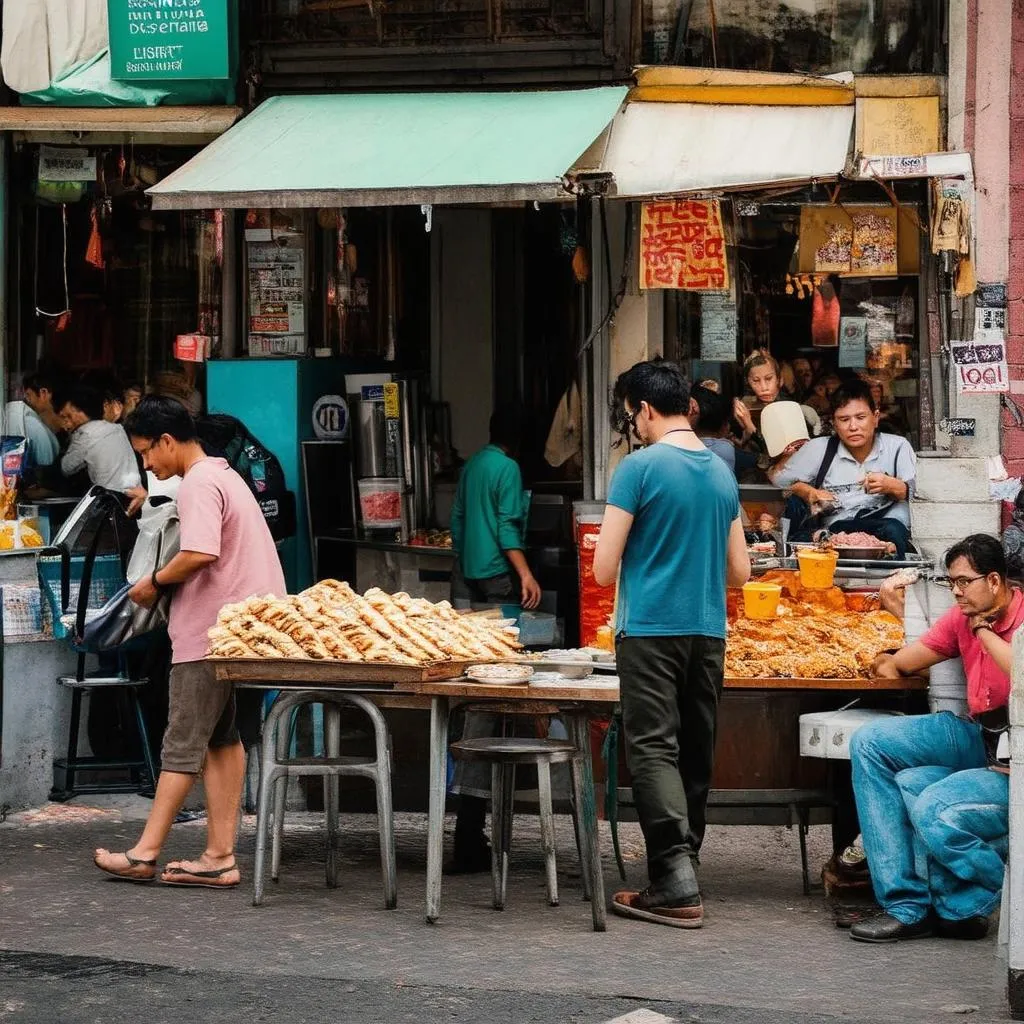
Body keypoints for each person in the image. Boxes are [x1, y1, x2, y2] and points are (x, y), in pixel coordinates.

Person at [93, 396, 286, 888]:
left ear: (167, 441)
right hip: (239, 631)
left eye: (146, 453)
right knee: (223, 740)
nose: (147, 464)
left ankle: (144, 853)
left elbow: (200, 552)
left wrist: (153, 581)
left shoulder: (199, 482)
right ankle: (220, 857)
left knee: (181, 745)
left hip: (211, 631)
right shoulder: (225, 475)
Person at [594, 359, 750, 929]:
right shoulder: (721, 473)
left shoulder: (638, 468)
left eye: (630, 413)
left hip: (651, 631)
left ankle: (674, 880)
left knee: (653, 747)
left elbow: (604, 570)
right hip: (708, 632)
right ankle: (685, 867)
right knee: (693, 748)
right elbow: (741, 572)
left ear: (642, 409)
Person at [848, 534, 1020, 943]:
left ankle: (979, 900)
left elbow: (1022, 671)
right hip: (981, 737)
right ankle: (906, 905)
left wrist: (983, 632)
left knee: (933, 805)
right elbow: (901, 665)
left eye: (964, 582)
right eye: (950, 583)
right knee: (870, 742)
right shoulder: (962, 616)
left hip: (1018, 756)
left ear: (993, 581)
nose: (956, 592)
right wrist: (884, 658)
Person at [447, 406, 541, 872]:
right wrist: (525, 574)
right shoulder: (507, 468)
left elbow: (459, 521)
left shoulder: (473, 465)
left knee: (470, 694)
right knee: (495, 695)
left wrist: (464, 573)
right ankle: (472, 830)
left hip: (466, 576)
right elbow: (507, 525)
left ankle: (470, 826)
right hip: (498, 577)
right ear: (519, 442)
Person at [770, 379, 916, 557]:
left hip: (888, 534)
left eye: (860, 418)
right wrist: (808, 492)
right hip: (836, 536)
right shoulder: (819, 448)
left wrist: (892, 486)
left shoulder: (897, 447)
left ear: (875, 417)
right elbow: (778, 480)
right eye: (844, 419)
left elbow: (918, 496)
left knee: (893, 527)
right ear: (834, 423)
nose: (853, 427)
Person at [57, 383, 142, 493]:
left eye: (68, 416)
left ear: (82, 412)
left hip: (110, 500)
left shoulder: (86, 433)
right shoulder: (117, 429)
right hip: (133, 495)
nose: (66, 423)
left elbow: (66, 468)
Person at [732, 350, 821, 448]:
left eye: (769, 379)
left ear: (780, 380)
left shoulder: (791, 410)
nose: (764, 387)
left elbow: (776, 450)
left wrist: (749, 425)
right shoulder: (746, 407)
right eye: (756, 381)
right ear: (748, 383)